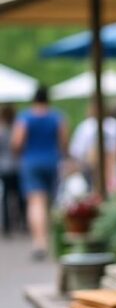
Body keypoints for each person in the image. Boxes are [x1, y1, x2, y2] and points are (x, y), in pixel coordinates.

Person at [11, 86, 68, 260]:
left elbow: (17, 142)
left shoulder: (25, 117)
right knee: (50, 203)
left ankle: (39, 242)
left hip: (31, 162)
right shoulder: (57, 116)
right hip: (52, 161)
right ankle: (50, 239)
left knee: (36, 202)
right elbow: (64, 142)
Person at [69, 102, 116, 191]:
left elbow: (76, 151)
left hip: (102, 169)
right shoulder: (114, 125)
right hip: (95, 170)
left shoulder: (85, 126)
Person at [0, 104, 25, 236]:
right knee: (21, 196)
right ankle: (23, 224)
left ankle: (8, 226)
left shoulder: (2, 130)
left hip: (4, 167)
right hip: (18, 166)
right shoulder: (18, 129)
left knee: (6, 197)